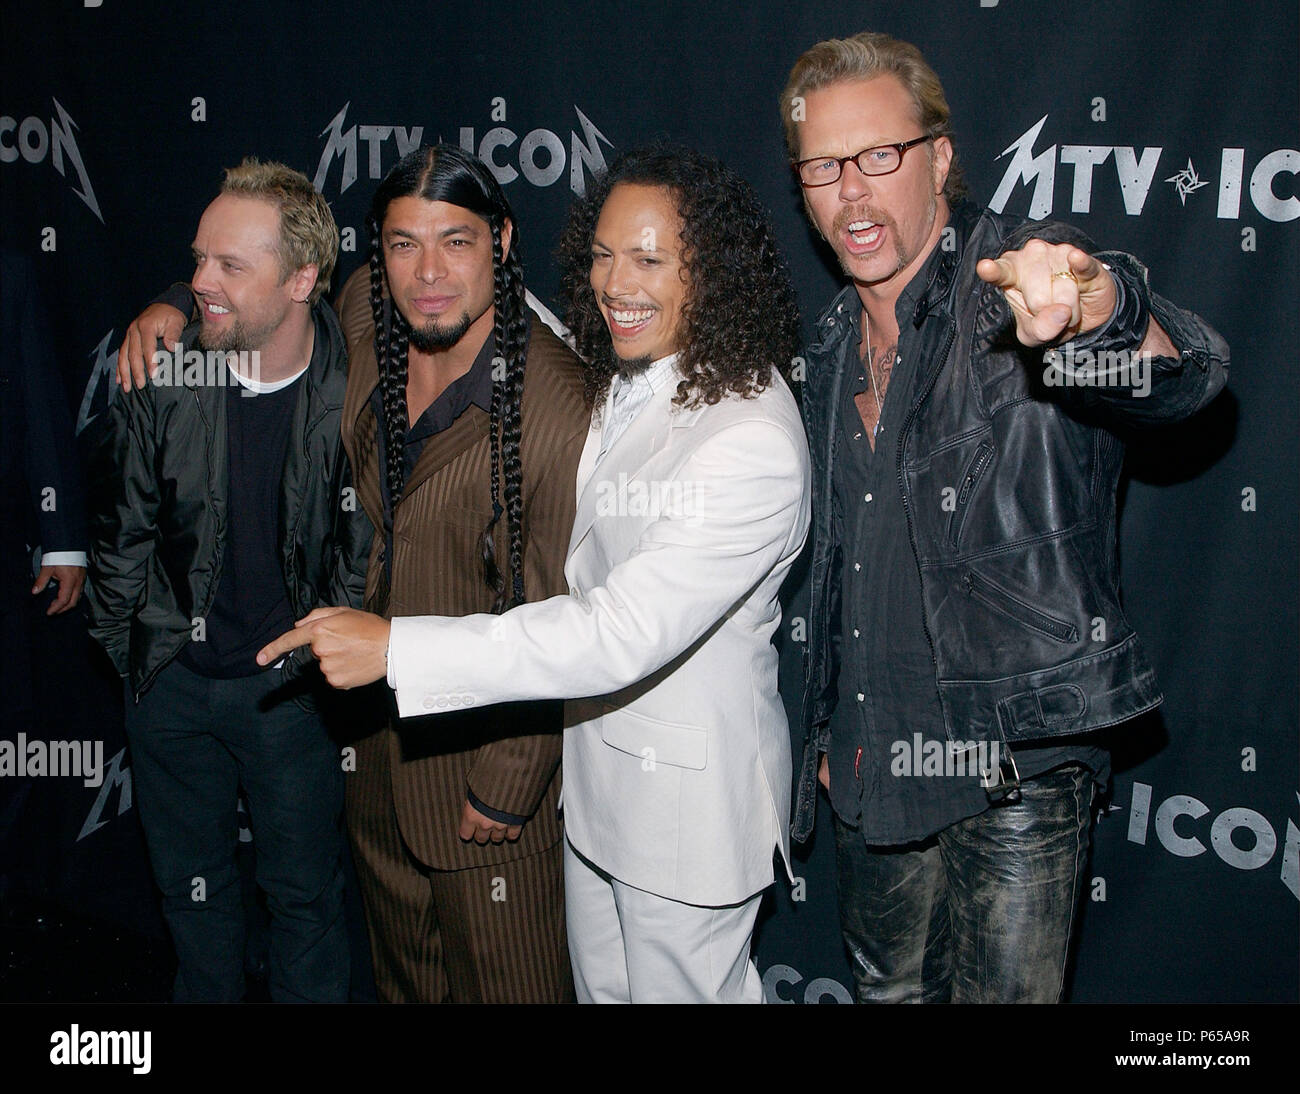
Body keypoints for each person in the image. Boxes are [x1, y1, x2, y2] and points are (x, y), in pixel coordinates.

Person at [258, 145, 811, 1004]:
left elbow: (615, 632)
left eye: (649, 260)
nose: (615, 283)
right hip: (596, 793)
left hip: (683, 816)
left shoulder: (749, 441)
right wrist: (179, 300)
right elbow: (472, 298)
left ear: (714, 270)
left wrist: (399, 650)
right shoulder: (634, 358)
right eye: (603, 254)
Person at [780, 32, 1229, 1003]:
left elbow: (1180, 379)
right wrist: (829, 730)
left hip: (1014, 764)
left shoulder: (1016, 291)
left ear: (940, 156)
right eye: (822, 166)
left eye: (879, 155)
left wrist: (1099, 307)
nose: (851, 191)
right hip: (870, 765)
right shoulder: (827, 344)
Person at [120, 145, 587, 1003]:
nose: (427, 272)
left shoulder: (556, 404)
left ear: (502, 240)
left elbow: (563, 614)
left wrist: (510, 784)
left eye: (456, 241)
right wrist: (175, 300)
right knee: (400, 980)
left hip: (478, 770)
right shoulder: (369, 323)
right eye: (403, 244)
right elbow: (246, 284)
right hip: (373, 751)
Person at [86, 159, 366, 1002]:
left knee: (305, 904)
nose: (201, 281)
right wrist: (139, 660)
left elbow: (362, 552)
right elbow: (122, 529)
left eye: (230, 265)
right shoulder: (167, 370)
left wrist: (321, 669)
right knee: (192, 899)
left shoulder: (356, 388)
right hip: (171, 687)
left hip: (292, 696)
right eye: (198, 260)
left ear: (301, 280)